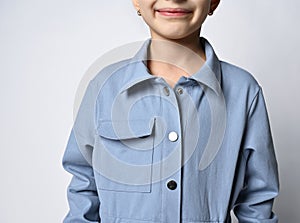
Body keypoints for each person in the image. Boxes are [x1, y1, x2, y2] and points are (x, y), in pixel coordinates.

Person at [62, 0, 279, 222]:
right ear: (136, 1)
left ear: (213, 2)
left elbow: (258, 199)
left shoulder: (244, 91)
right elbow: (84, 182)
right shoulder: (104, 87)